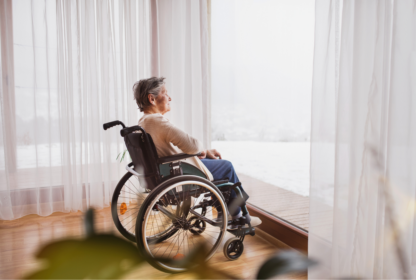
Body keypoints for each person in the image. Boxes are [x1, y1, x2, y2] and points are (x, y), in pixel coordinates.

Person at [133, 77, 261, 228]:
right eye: (165, 93)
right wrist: (201, 150)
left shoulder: (143, 122)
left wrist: (204, 152)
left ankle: (223, 212)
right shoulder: (157, 121)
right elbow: (192, 145)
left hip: (165, 171)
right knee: (226, 166)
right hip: (177, 173)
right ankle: (240, 217)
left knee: (215, 164)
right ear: (152, 98)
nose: (170, 98)